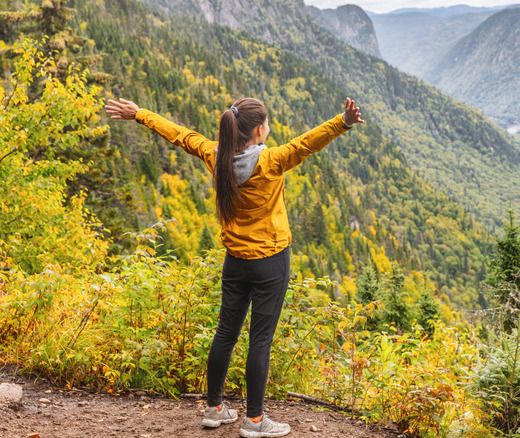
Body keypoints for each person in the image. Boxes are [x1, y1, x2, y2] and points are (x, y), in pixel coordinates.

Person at [105, 97, 364, 437]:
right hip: (271, 262)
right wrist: (342, 122)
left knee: (225, 333)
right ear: (258, 130)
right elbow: (307, 144)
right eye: (267, 124)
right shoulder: (271, 160)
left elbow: (182, 135)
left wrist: (140, 114)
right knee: (260, 340)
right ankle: (255, 421)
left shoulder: (216, 156)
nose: (268, 129)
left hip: (235, 262)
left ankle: (214, 408)